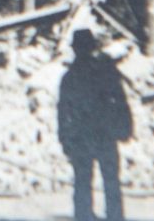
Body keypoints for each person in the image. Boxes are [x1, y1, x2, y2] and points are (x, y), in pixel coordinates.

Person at [58, 29, 133, 221]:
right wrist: (125, 127)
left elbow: (63, 112)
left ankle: (84, 216)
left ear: (76, 49)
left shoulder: (70, 77)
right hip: (104, 134)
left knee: (83, 182)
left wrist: (65, 138)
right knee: (110, 182)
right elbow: (120, 101)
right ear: (92, 47)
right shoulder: (106, 71)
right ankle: (114, 217)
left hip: (82, 136)